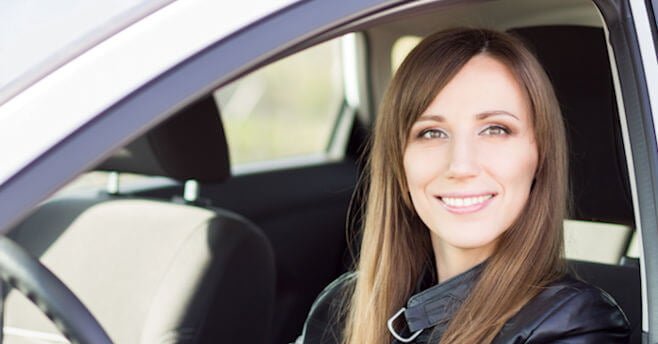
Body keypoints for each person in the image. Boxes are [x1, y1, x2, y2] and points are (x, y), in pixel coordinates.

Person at [294, 28, 631, 344]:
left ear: (539, 155)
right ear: (399, 162)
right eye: (431, 132)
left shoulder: (573, 322)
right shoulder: (343, 304)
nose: (461, 166)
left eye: (495, 129)